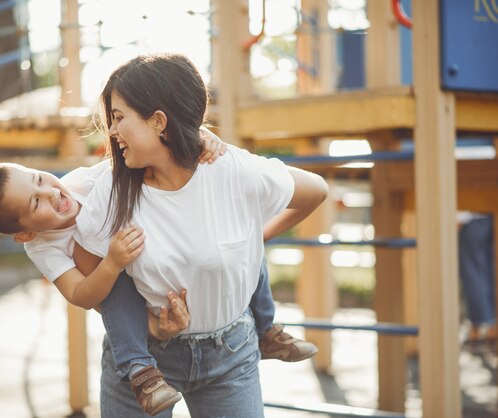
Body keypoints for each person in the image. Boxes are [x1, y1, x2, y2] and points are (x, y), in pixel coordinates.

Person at [0, 131, 318, 416]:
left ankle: (266, 328)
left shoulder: (83, 182)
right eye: (35, 203)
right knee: (114, 286)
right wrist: (112, 263)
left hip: (184, 293)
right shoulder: (41, 246)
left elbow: (138, 154)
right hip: (127, 288)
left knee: (238, 240)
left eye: (39, 179)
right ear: (25, 233)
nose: (50, 192)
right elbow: (82, 295)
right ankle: (139, 369)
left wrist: (199, 137)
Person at [73, 53, 328, 418]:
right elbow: (88, 266)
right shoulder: (112, 190)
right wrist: (148, 326)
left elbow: (316, 191)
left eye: (118, 118)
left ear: (159, 121)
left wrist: (255, 240)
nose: (111, 132)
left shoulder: (231, 170)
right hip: (142, 367)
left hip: (230, 356)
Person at [458, 213, 496, 344]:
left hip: (473, 218)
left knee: (472, 274)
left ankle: (479, 327)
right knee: (487, 271)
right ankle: (489, 328)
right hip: (487, 216)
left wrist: (460, 217)